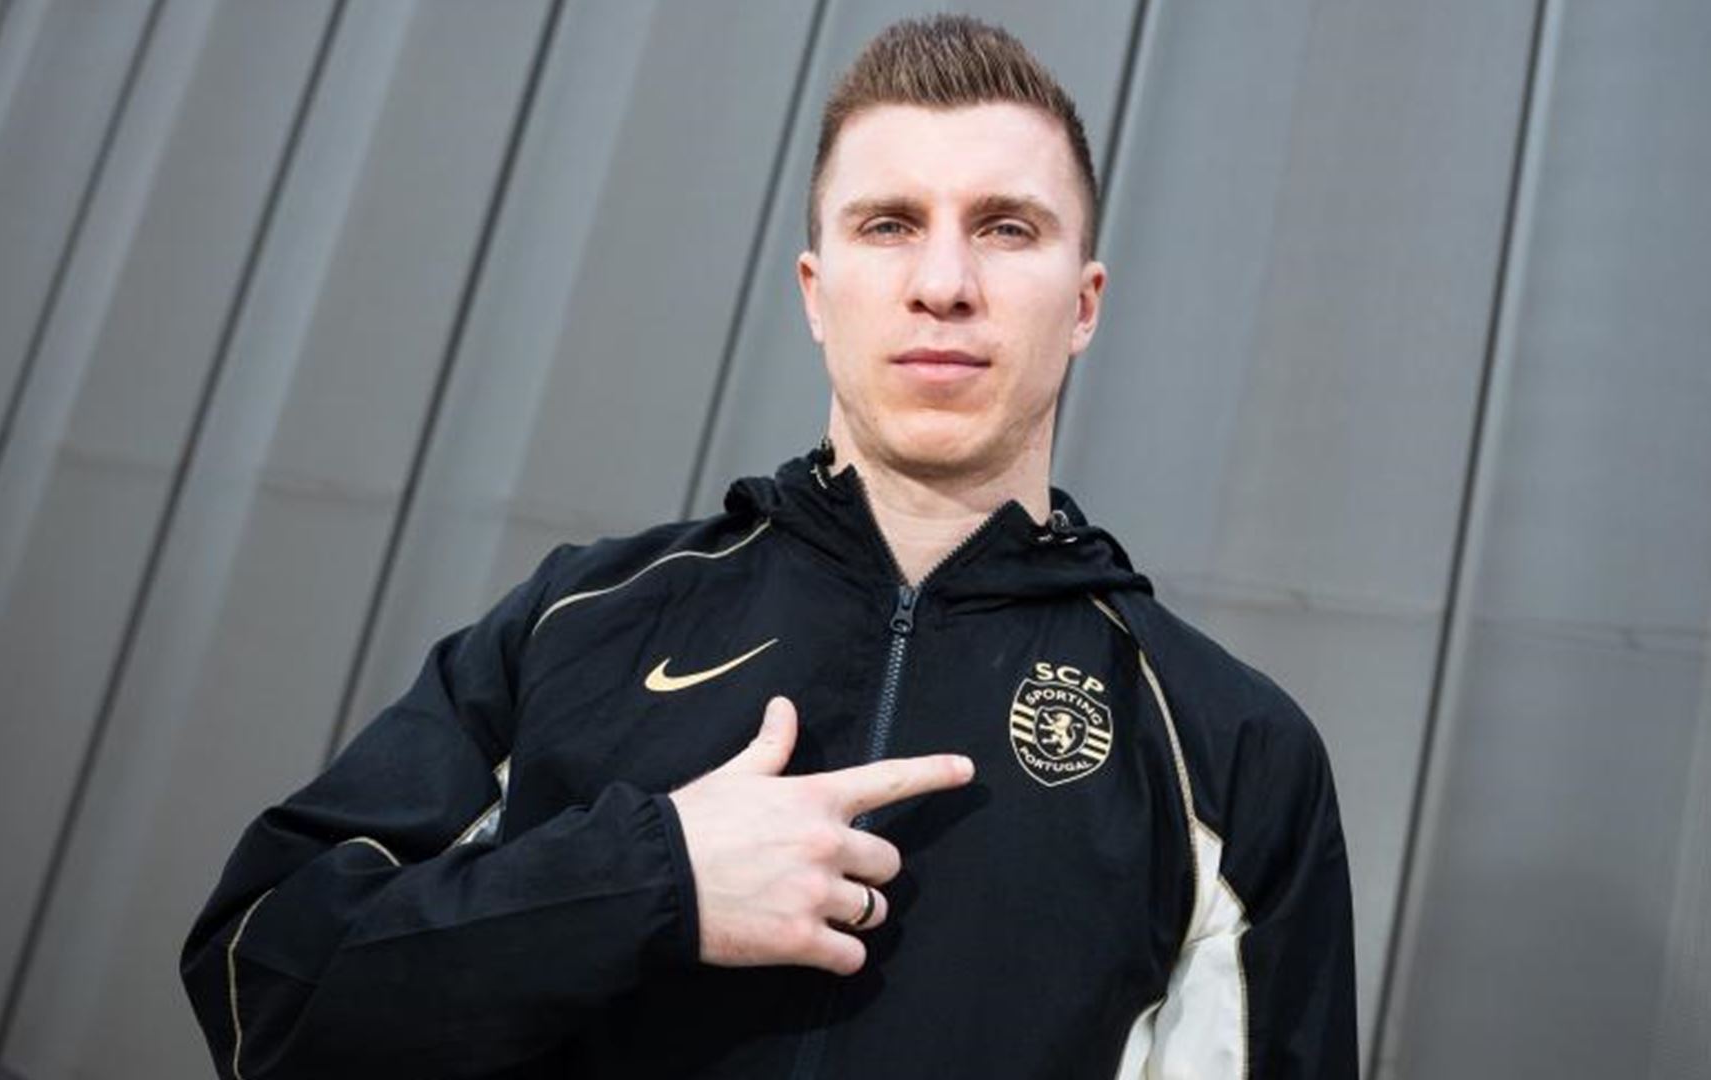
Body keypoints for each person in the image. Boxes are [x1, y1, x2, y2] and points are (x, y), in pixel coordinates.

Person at [182, 15, 1356, 1079]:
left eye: (1006, 228)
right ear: (815, 289)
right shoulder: (578, 626)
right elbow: (262, 987)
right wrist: (652, 877)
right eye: (889, 225)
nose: (944, 283)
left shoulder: (1224, 749)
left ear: (1085, 302)